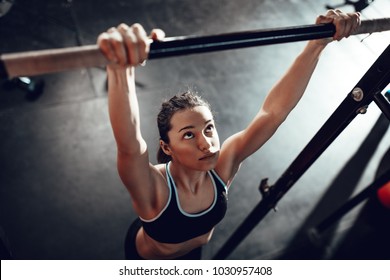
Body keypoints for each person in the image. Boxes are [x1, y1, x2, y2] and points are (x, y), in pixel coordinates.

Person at [97, 9, 361, 259]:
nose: (206, 143)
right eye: (189, 135)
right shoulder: (154, 188)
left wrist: (316, 44)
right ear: (166, 147)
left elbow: (273, 112)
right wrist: (121, 68)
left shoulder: (224, 163)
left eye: (208, 128)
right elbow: (130, 147)